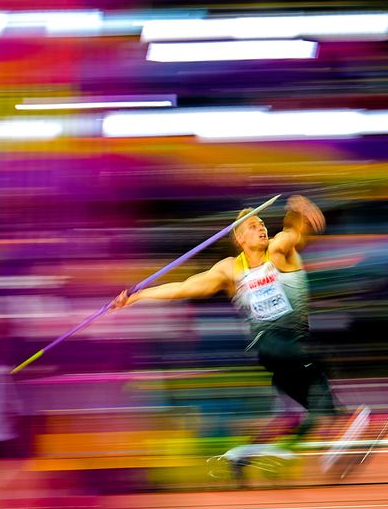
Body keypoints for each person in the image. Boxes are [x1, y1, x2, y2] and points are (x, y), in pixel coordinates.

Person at [111, 195, 369, 474]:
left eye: (262, 224)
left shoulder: (278, 249)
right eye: (254, 225)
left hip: (294, 346)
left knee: (308, 415)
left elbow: (294, 232)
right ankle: (344, 425)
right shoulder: (231, 269)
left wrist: (297, 212)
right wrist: (136, 297)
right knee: (318, 371)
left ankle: (241, 456)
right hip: (272, 346)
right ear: (239, 237)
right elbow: (183, 287)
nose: (261, 229)